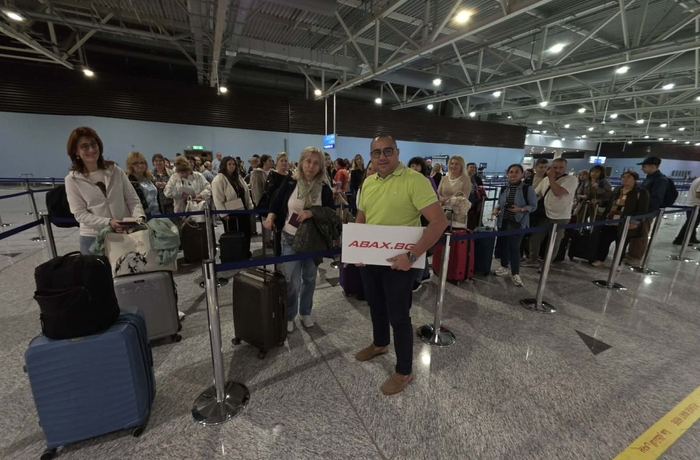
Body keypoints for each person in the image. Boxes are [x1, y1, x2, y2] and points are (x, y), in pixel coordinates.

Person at [353, 135, 447, 396]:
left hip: (400, 263)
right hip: (371, 259)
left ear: (397, 152)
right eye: (376, 153)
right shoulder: (369, 182)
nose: (382, 157)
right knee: (375, 305)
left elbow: (439, 222)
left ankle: (404, 371)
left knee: (399, 316)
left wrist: (412, 256)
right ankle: (380, 343)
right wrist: (356, 246)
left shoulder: (415, 181)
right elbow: (362, 215)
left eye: (388, 151)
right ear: (371, 156)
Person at [263, 147, 334, 333]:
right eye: (308, 161)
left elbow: (330, 213)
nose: (311, 166)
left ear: (321, 166)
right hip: (289, 238)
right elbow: (276, 202)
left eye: (316, 163)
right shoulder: (290, 182)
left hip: (313, 241)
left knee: (309, 279)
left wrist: (311, 212)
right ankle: (290, 315)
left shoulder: (324, 188)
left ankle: (305, 312)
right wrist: (270, 217)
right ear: (302, 162)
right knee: (292, 282)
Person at [64, 127, 145, 255]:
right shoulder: (72, 179)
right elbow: (80, 214)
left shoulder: (115, 170)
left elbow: (133, 200)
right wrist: (108, 222)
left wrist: (138, 219)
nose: (91, 150)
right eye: (84, 146)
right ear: (76, 151)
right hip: (93, 238)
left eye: (93, 144)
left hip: (124, 234)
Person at [521, 158, 578, 269]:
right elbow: (536, 194)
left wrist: (551, 178)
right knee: (535, 238)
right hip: (546, 214)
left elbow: (558, 192)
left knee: (554, 242)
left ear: (565, 168)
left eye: (561, 167)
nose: (557, 170)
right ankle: (533, 259)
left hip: (561, 217)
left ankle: (546, 264)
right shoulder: (546, 180)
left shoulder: (571, 179)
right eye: (555, 167)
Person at [491, 164, 538, 286]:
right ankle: (504, 266)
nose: (513, 174)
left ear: (522, 174)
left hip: (518, 222)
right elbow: (500, 203)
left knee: (514, 247)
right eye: (511, 172)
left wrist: (520, 209)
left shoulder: (527, 189)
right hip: (504, 221)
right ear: (508, 174)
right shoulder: (504, 188)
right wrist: (496, 209)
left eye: (517, 172)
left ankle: (516, 273)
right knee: (504, 245)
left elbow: (533, 206)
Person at [591, 171, 649, 267]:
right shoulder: (617, 189)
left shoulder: (640, 192)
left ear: (635, 180)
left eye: (628, 177)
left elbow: (642, 209)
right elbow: (610, 202)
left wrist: (635, 222)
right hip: (610, 220)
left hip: (624, 222)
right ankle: (600, 259)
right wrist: (599, 202)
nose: (625, 179)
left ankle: (617, 263)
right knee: (604, 241)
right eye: (623, 177)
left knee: (621, 244)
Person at [625, 156, 670, 265]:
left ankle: (636, 256)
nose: (642, 168)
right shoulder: (650, 178)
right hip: (641, 210)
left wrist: (645, 212)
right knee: (636, 231)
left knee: (642, 233)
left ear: (652, 166)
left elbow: (656, 199)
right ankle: (631, 253)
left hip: (647, 212)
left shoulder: (660, 180)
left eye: (644, 166)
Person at [212, 156, 253, 243]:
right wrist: (224, 214)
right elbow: (218, 199)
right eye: (229, 164)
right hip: (230, 214)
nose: (232, 166)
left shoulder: (238, 177)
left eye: (233, 164)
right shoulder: (218, 179)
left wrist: (250, 207)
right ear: (224, 165)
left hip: (243, 210)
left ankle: (246, 250)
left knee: (246, 234)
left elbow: (246, 192)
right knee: (234, 238)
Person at [126, 151, 160, 217]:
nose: (140, 165)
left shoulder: (149, 178)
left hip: (157, 214)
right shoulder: (129, 181)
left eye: (142, 162)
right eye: (136, 163)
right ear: (130, 165)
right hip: (142, 216)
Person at [674, 175, 700, 245]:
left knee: (693, 223)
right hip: (695, 205)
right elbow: (698, 194)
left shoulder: (698, 179)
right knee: (691, 223)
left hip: (692, 204)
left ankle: (692, 237)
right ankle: (679, 239)